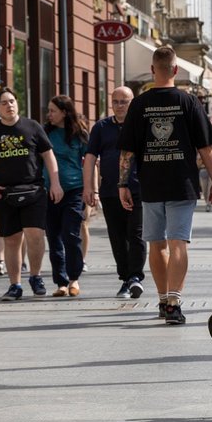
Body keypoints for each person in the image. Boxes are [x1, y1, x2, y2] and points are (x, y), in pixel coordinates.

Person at [118, 46, 212, 325]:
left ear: (152, 70)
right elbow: (206, 147)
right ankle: (174, 302)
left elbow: (127, 151)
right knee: (179, 243)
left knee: (155, 244)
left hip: (150, 183)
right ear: (176, 69)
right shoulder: (188, 101)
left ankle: (163, 299)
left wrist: (122, 184)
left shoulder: (138, 104)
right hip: (182, 183)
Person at [0, 87, 63, 301]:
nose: (9, 105)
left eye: (12, 101)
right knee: (12, 240)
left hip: (33, 190)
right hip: (4, 194)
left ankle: (36, 276)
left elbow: (48, 155)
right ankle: (15, 285)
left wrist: (55, 183)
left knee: (35, 234)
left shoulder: (32, 127)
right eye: (4, 103)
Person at [83, 86, 147, 299]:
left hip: (138, 188)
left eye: (124, 101)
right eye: (116, 101)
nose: (119, 105)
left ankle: (135, 277)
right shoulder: (101, 127)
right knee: (117, 236)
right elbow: (90, 157)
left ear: (132, 102)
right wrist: (89, 188)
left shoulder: (141, 125)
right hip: (110, 190)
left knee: (136, 233)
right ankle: (126, 278)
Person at [44, 95, 88, 297]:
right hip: (49, 192)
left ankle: (74, 279)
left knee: (71, 235)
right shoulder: (45, 133)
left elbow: (89, 162)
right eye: (49, 110)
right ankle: (61, 282)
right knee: (54, 237)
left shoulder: (79, 134)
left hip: (74, 190)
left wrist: (91, 189)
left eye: (53, 110)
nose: (49, 114)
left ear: (64, 112)